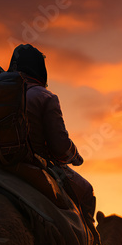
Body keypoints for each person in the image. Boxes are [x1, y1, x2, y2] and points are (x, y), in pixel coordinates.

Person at [8, 44, 96, 220]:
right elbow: (60, 147)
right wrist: (74, 156)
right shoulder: (45, 96)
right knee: (86, 191)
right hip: (34, 164)